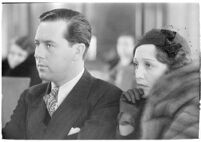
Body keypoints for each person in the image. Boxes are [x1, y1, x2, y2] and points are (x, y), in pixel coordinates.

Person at [2, 8, 122, 139]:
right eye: (37, 44)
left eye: (49, 45)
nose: (37, 54)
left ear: (77, 51)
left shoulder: (109, 97)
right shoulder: (29, 96)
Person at [116, 28, 199, 139]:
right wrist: (127, 118)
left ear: (174, 66)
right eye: (136, 64)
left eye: (148, 65)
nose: (138, 75)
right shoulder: (145, 102)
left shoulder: (192, 108)